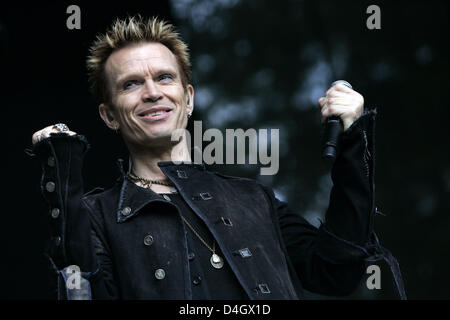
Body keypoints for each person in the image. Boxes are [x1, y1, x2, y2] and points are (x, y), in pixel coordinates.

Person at [28, 16, 405, 300]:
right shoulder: (97, 216)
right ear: (109, 115)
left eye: (164, 78)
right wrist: (61, 176)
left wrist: (353, 141)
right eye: (130, 84)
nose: (151, 92)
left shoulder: (253, 199)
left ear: (188, 98)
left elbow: (336, 270)